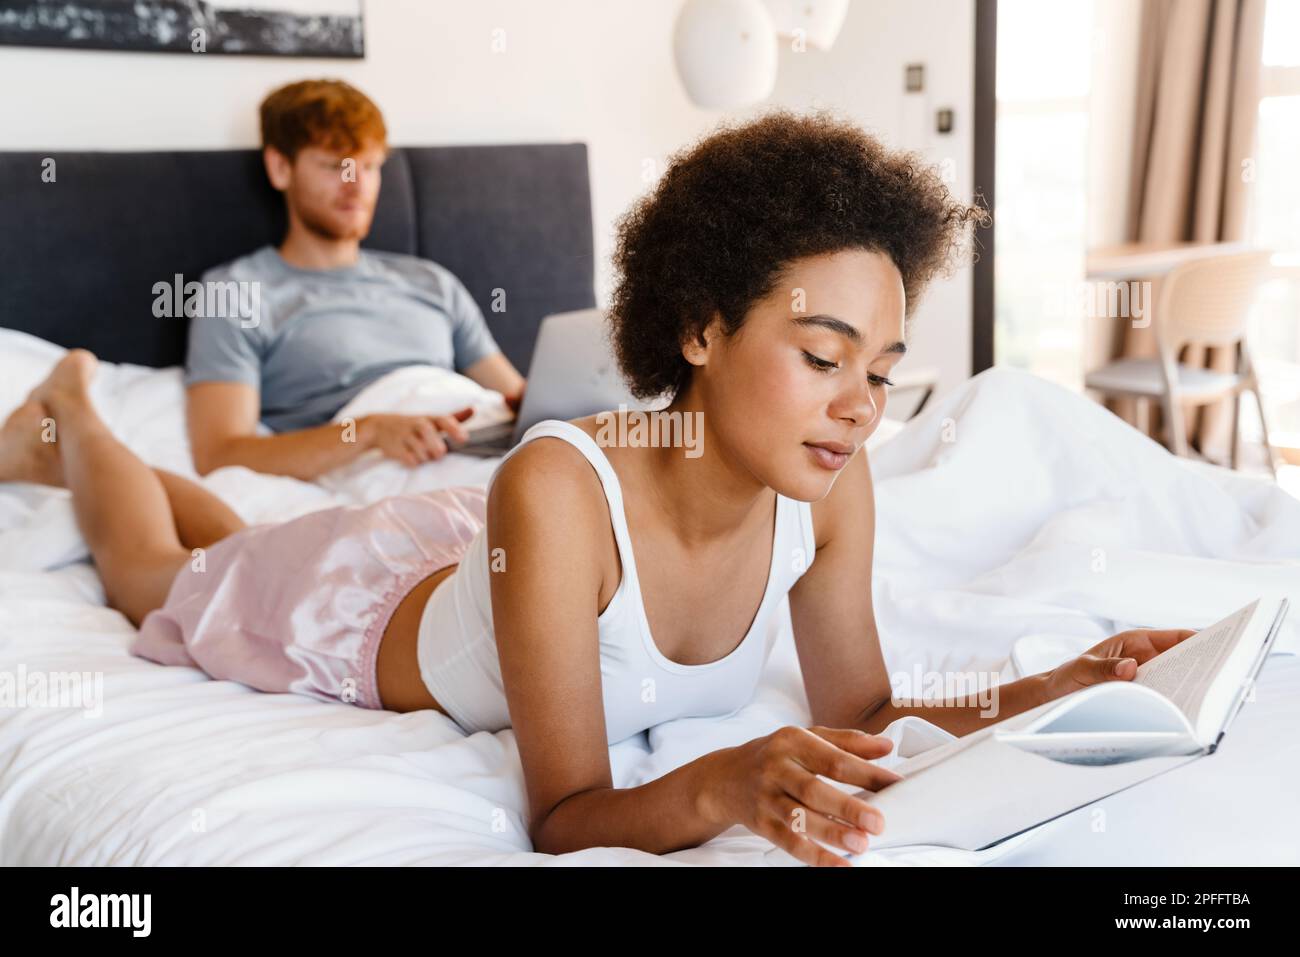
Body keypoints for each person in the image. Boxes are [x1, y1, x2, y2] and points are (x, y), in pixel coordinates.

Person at [0, 111, 1195, 867]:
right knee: (168, 578)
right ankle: (72, 414)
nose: (860, 405)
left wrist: (1062, 684)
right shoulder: (559, 493)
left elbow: (871, 714)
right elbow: (563, 816)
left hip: (476, 550)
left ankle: (121, 457)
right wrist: (721, 783)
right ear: (698, 328)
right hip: (359, 614)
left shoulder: (833, 483)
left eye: (882, 372)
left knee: (256, 536)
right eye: (824, 359)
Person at [184, 79, 527, 480]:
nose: (357, 187)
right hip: (383, 466)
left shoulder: (430, 282)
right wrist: (367, 432)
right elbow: (221, 454)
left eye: (369, 166)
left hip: (475, 443)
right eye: (335, 167)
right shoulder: (235, 293)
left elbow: (516, 398)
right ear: (280, 168)